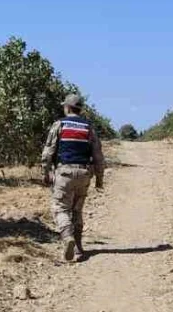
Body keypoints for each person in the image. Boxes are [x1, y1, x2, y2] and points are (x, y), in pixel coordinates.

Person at [41, 94, 106, 262]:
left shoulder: (59, 124)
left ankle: (67, 237)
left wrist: (45, 171)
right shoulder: (88, 127)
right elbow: (98, 155)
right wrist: (99, 178)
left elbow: (48, 151)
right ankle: (78, 249)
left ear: (67, 108)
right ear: (80, 109)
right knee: (77, 210)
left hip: (64, 173)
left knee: (60, 208)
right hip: (84, 174)